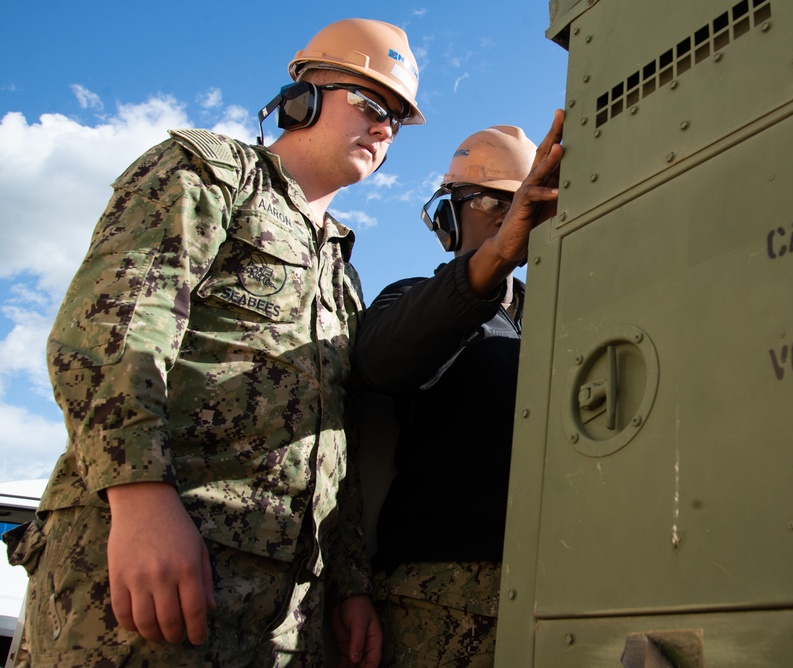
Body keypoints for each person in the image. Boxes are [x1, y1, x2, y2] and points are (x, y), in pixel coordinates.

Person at [2, 17, 424, 667]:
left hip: (285, 616)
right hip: (150, 573)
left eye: (396, 118)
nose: (383, 126)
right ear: (302, 100)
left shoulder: (343, 274)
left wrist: (349, 586)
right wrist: (141, 499)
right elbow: (111, 329)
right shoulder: (210, 175)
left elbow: (336, 443)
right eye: (369, 102)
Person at [353, 118, 564, 667]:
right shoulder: (415, 301)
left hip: (559, 586)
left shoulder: (562, 315)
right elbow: (380, 362)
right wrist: (492, 264)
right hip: (443, 596)